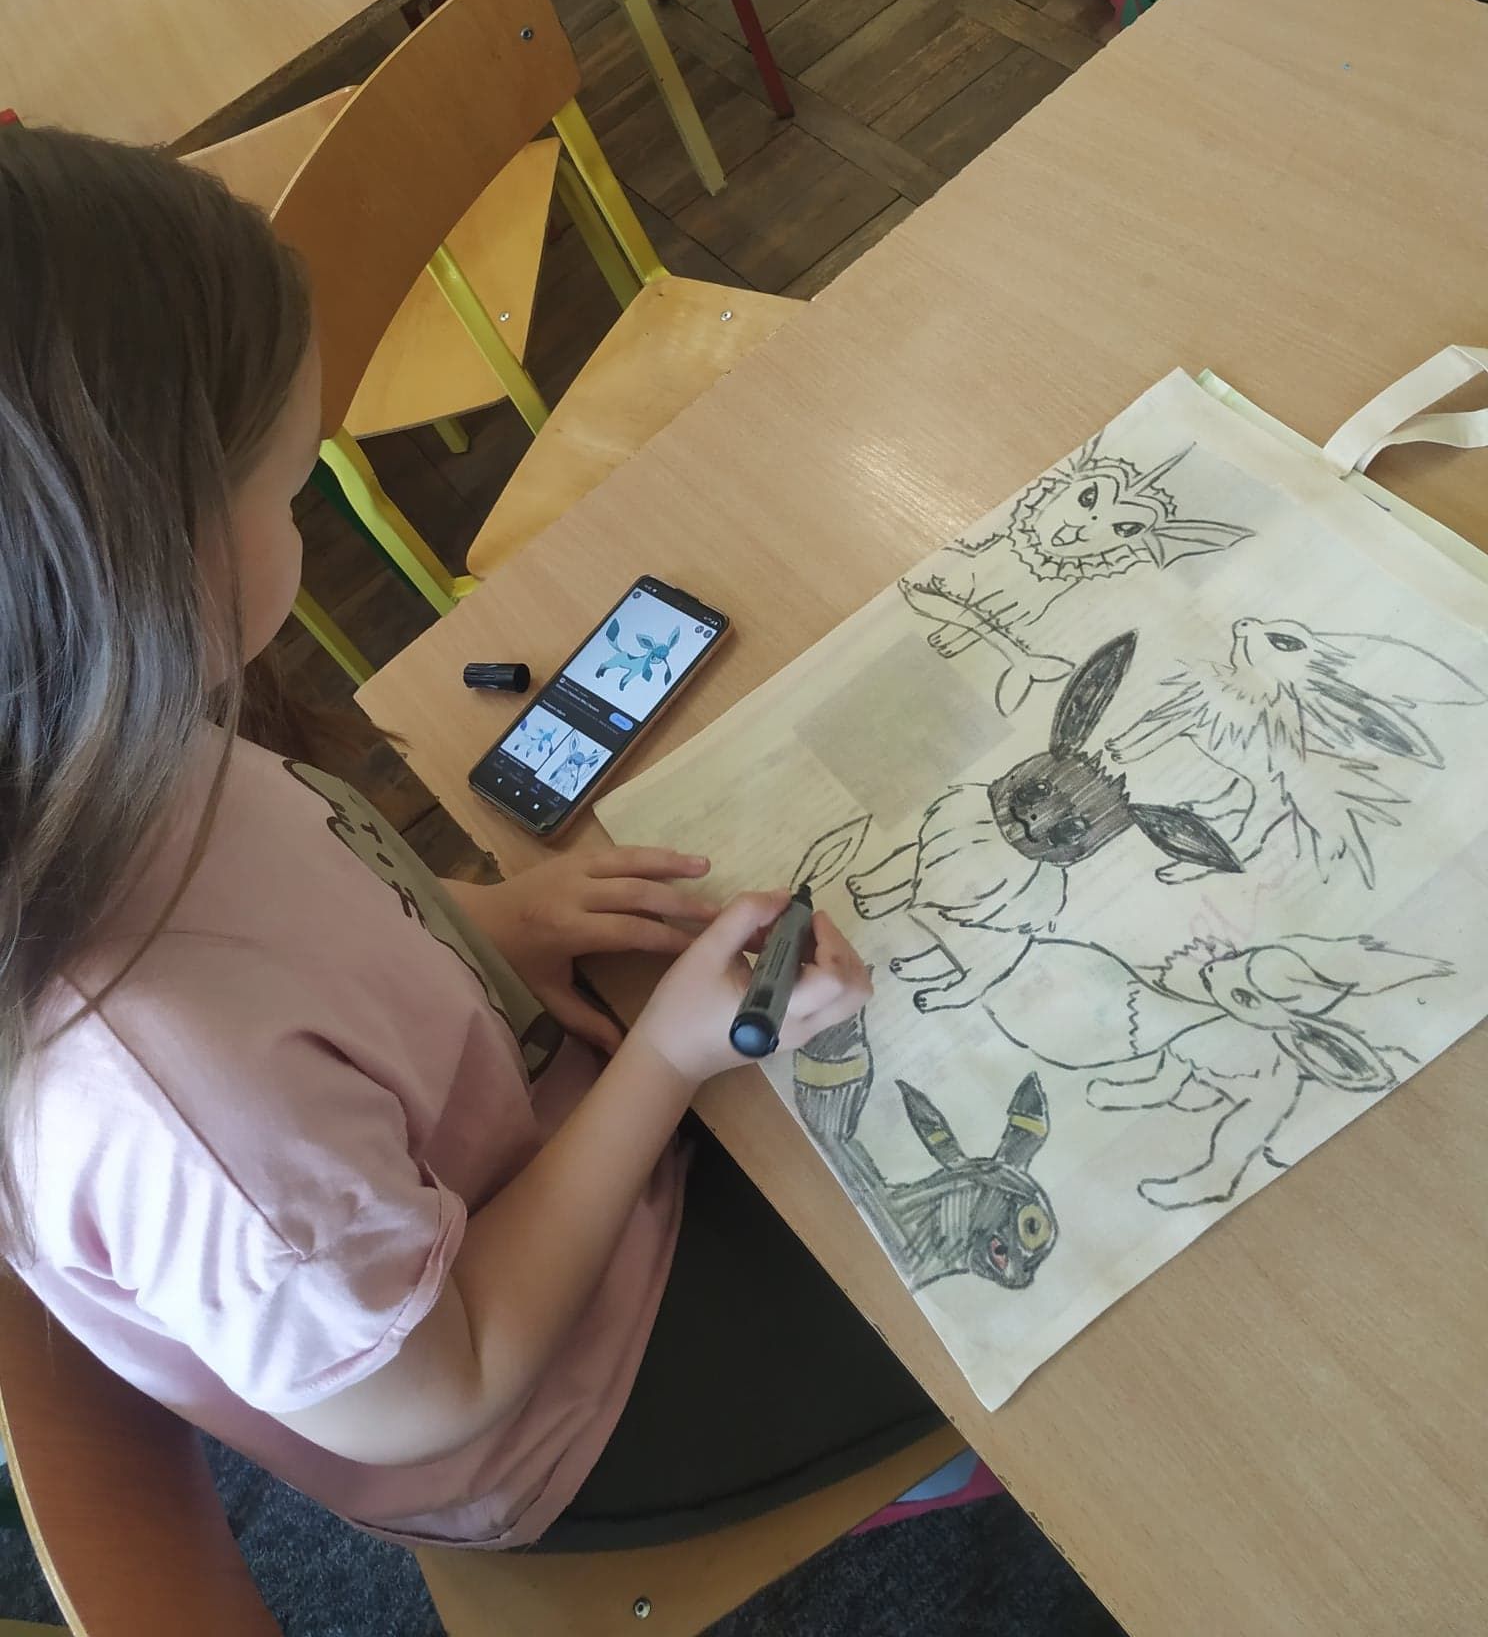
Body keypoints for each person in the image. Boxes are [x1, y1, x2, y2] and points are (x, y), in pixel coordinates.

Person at [0, 126, 938, 1554]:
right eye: (291, 490)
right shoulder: (171, 1103)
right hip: (577, 1405)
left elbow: (305, 892)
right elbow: (448, 1383)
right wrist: (669, 1061)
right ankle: (904, 1469)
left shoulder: (81, 738)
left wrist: (493, 921)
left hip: (538, 1151)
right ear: (142, 576)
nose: (307, 513)